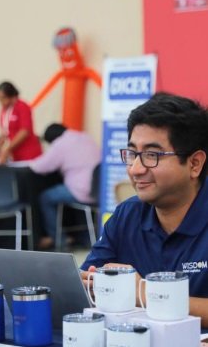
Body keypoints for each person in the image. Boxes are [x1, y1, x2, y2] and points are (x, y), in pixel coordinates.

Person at [81, 92, 208, 326]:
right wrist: (87, 283)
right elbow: (88, 280)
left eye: (152, 155)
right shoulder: (127, 214)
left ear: (194, 163)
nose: (136, 169)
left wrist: (145, 293)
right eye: (132, 154)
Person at [29, 123, 101, 248]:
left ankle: (60, 241)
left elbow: (40, 167)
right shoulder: (85, 137)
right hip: (98, 191)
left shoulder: (60, 143)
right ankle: (86, 239)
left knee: (45, 198)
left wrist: (29, 162)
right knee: (81, 204)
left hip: (80, 191)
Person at [0, 81, 42, 163]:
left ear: (11, 96)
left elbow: (24, 131)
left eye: (3, 98)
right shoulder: (4, 110)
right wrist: (0, 144)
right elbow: (5, 131)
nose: (0, 102)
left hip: (28, 154)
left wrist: (8, 149)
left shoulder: (22, 107)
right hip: (15, 155)